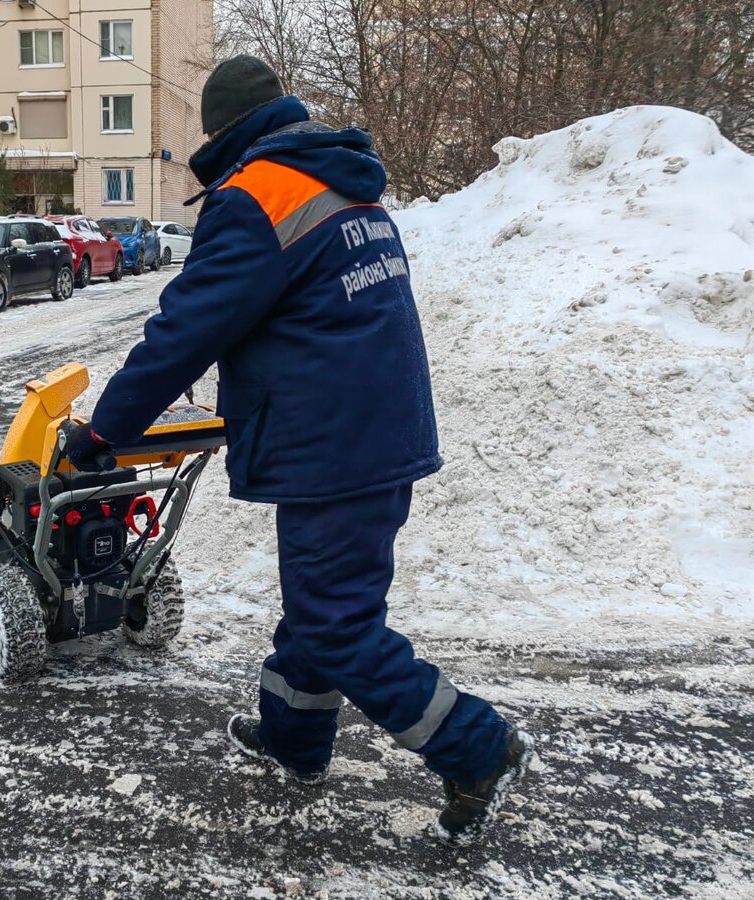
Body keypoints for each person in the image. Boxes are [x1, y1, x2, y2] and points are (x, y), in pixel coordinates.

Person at [64, 55, 534, 846]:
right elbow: (323, 318)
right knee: (324, 607)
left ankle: (479, 748)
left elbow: (187, 330)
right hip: (372, 431)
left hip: (334, 448)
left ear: (221, 130)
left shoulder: (255, 197)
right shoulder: (345, 182)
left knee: (336, 624)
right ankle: (294, 739)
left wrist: (104, 432)